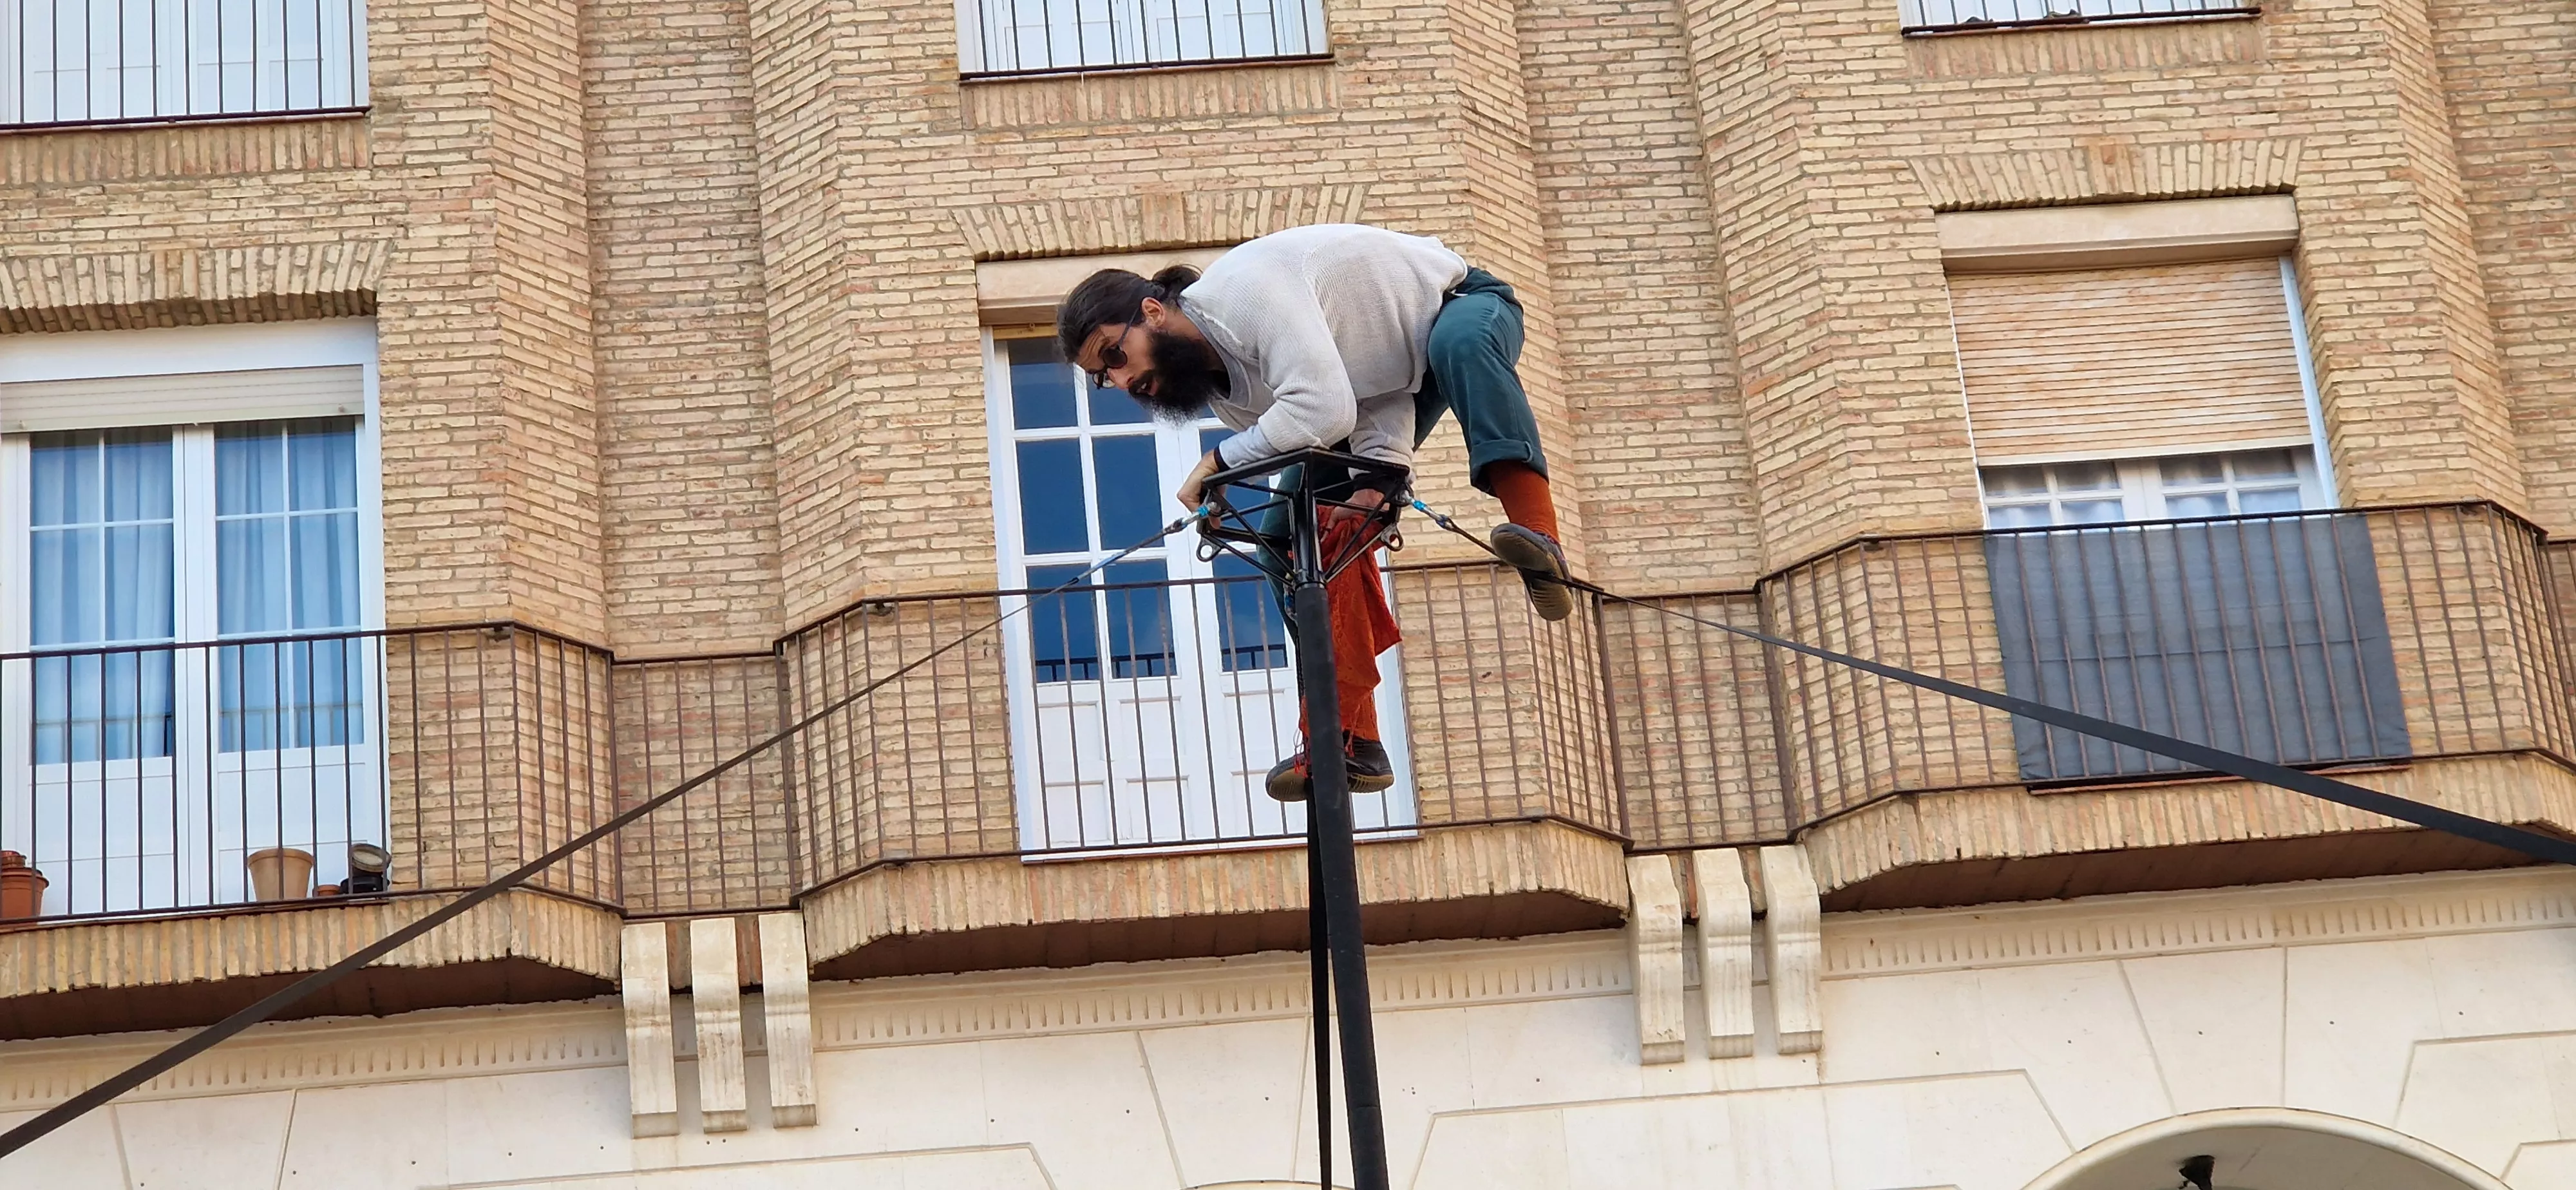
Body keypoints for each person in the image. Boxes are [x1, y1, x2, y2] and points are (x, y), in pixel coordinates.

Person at [1057, 223, 1569, 801]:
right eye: (1104, 379)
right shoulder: (1230, 397)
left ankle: (1538, 534)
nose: (1123, 381)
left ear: (1152, 311)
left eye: (1114, 356)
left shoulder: (1244, 293)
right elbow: (1361, 391)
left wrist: (1220, 465)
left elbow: (1321, 411)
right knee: (1288, 536)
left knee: (1461, 345)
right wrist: (1377, 476)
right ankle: (1348, 738)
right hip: (1392, 384)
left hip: (1463, 307)